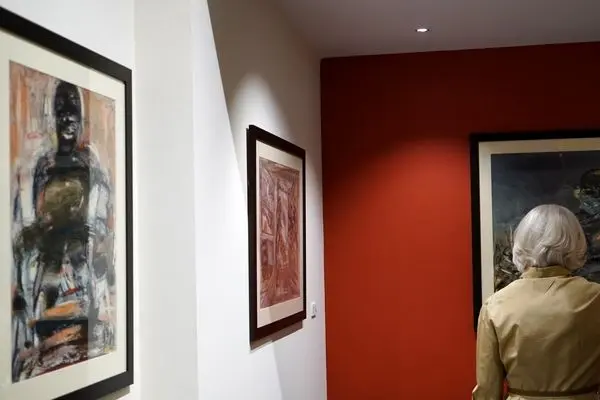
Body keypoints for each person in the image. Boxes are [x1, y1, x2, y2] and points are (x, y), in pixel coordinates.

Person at [473, 204, 600, 400]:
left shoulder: (496, 304)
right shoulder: (595, 297)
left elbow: (488, 390)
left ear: (520, 244)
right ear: (577, 244)